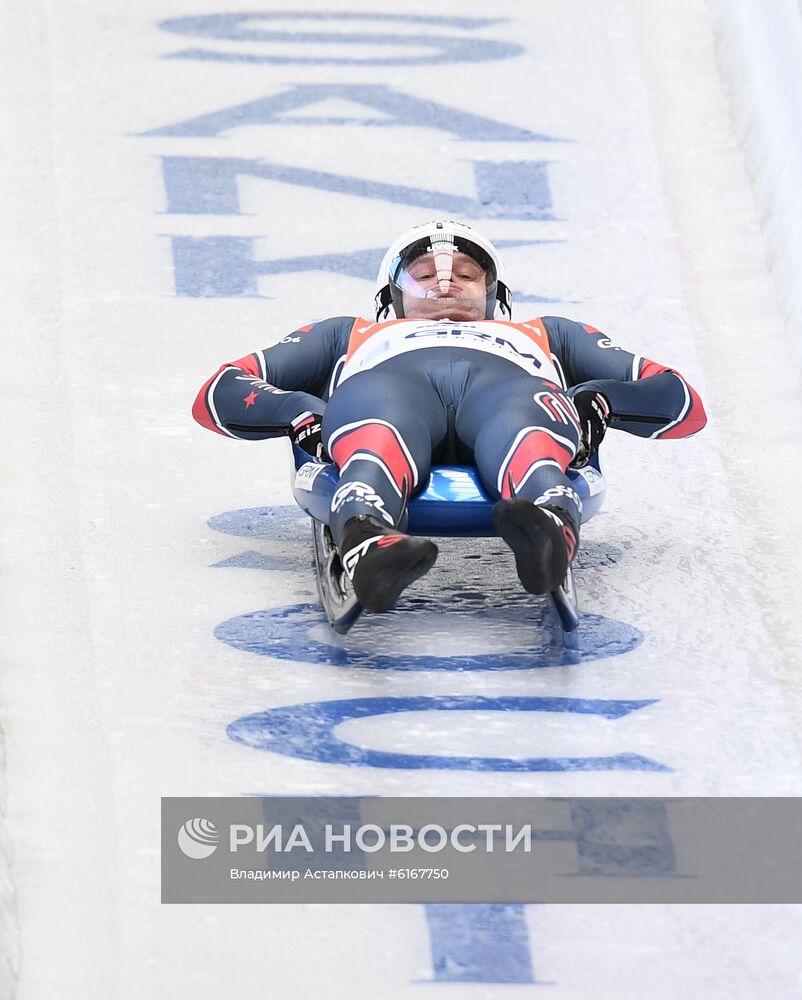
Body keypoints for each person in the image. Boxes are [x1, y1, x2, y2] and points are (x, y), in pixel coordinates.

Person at [193, 220, 706, 613]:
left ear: (493, 293)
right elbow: (220, 389)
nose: (446, 286)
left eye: (466, 276)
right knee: (374, 413)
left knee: (526, 410)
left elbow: (680, 399)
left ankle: (547, 528)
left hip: (507, 390)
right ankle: (370, 542)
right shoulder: (346, 334)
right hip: (390, 389)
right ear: (392, 297)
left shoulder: (549, 332)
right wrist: (298, 409)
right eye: (423, 278)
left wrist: (603, 396)